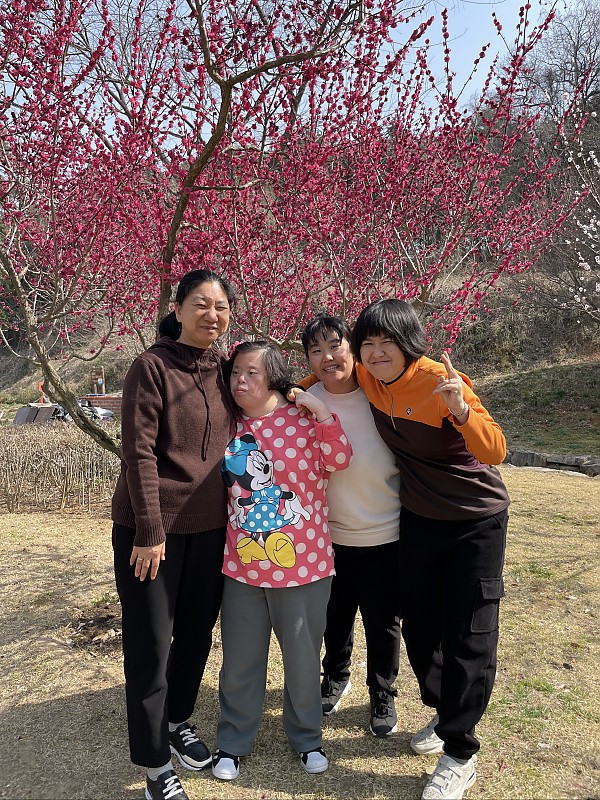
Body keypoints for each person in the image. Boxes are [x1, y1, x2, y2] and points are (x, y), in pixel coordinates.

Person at [350, 299, 510, 800]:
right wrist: (293, 390)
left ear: (409, 344)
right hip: (420, 518)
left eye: (387, 343)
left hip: (475, 521)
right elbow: (329, 370)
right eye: (368, 344)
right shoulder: (368, 376)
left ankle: (460, 753)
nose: (376, 353)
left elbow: (495, 449)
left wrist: (460, 409)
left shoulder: (441, 381)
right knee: (419, 627)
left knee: (468, 633)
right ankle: (447, 713)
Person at [111, 269, 237, 800]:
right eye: (201, 304)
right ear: (178, 308)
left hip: (211, 530)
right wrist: (150, 528)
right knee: (150, 644)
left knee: (195, 635)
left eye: (221, 306)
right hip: (151, 533)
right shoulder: (151, 366)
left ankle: (178, 718)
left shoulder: (225, 370)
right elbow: (138, 451)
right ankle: (155, 764)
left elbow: (268, 390)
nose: (212, 314)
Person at [211, 341, 352, 782]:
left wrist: (321, 411)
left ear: (272, 376)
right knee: (240, 660)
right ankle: (233, 741)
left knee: (303, 660)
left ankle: (307, 738)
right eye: (235, 372)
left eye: (251, 372)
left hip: (304, 564)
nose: (240, 381)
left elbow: (340, 459)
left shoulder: (303, 419)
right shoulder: (226, 424)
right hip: (243, 565)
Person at [300, 314, 402, 737]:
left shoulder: (380, 392)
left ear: (352, 349)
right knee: (334, 616)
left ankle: (382, 692)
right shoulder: (302, 402)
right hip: (329, 536)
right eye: (316, 351)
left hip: (386, 530)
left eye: (335, 346)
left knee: (383, 622)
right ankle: (336, 677)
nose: (327, 358)